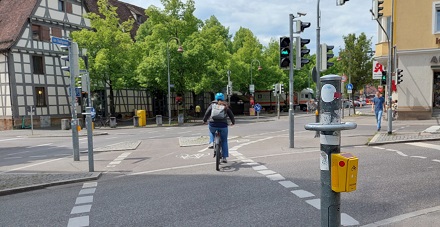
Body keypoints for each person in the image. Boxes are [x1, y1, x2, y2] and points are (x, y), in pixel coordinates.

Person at [203, 93, 235, 163]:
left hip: (213, 124)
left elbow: (207, 113)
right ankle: (224, 158)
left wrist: (205, 120)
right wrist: (233, 122)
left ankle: (211, 142)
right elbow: (231, 115)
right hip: (223, 125)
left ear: (215, 98)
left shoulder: (212, 105)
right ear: (223, 98)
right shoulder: (225, 105)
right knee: (224, 141)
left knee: (211, 131)